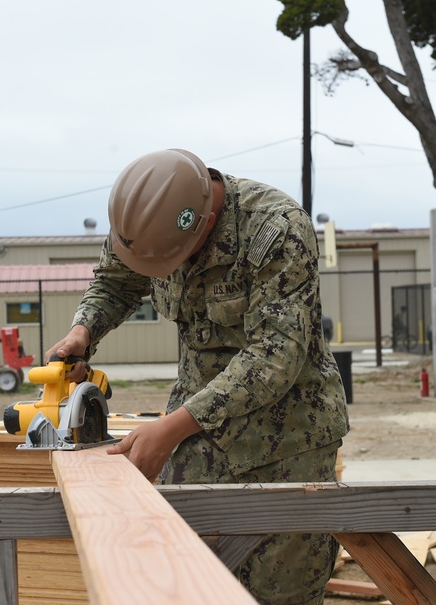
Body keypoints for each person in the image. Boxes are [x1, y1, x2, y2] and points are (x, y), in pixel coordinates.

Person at [47, 149, 349, 604]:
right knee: (185, 584)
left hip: (287, 442)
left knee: (279, 593)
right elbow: (115, 281)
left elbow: (274, 357)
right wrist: (82, 331)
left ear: (205, 225)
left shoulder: (276, 229)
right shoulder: (146, 226)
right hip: (198, 437)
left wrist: (170, 429)